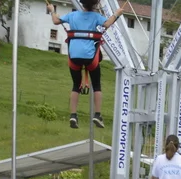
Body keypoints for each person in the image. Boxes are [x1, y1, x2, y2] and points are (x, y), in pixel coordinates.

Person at [47, 0, 125, 129]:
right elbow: (107, 24)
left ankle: (73, 115)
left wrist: (52, 10)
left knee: (76, 85)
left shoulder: (72, 15)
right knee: (97, 85)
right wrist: (117, 14)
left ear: (82, 3)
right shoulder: (96, 17)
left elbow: (55, 21)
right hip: (90, 58)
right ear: (95, 4)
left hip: (74, 56)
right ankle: (97, 114)